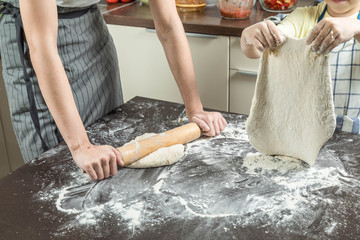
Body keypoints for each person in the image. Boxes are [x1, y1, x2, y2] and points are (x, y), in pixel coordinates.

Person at [0, 0, 227, 180]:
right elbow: (42, 47)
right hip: (37, 38)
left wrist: (195, 108)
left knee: (112, 151)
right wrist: (81, 146)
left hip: (91, 25)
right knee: (62, 170)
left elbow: (168, 24)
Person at [241, 0, 360, 134]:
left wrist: (356, 27)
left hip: (353, 136)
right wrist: (248, 37)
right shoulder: (305, 16)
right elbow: (256, 50)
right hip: (304, 129)